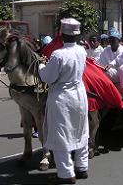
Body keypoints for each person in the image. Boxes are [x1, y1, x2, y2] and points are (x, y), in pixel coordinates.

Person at [38, 18, 89, 184]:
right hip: (80, 95)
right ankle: (82, 167)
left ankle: (66, 174)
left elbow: (48, 77)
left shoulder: (58, 54)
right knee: (81, 130)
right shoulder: (82, 50)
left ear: (61, 34)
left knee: (61, 135)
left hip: (63, 97)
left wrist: (41, 66)